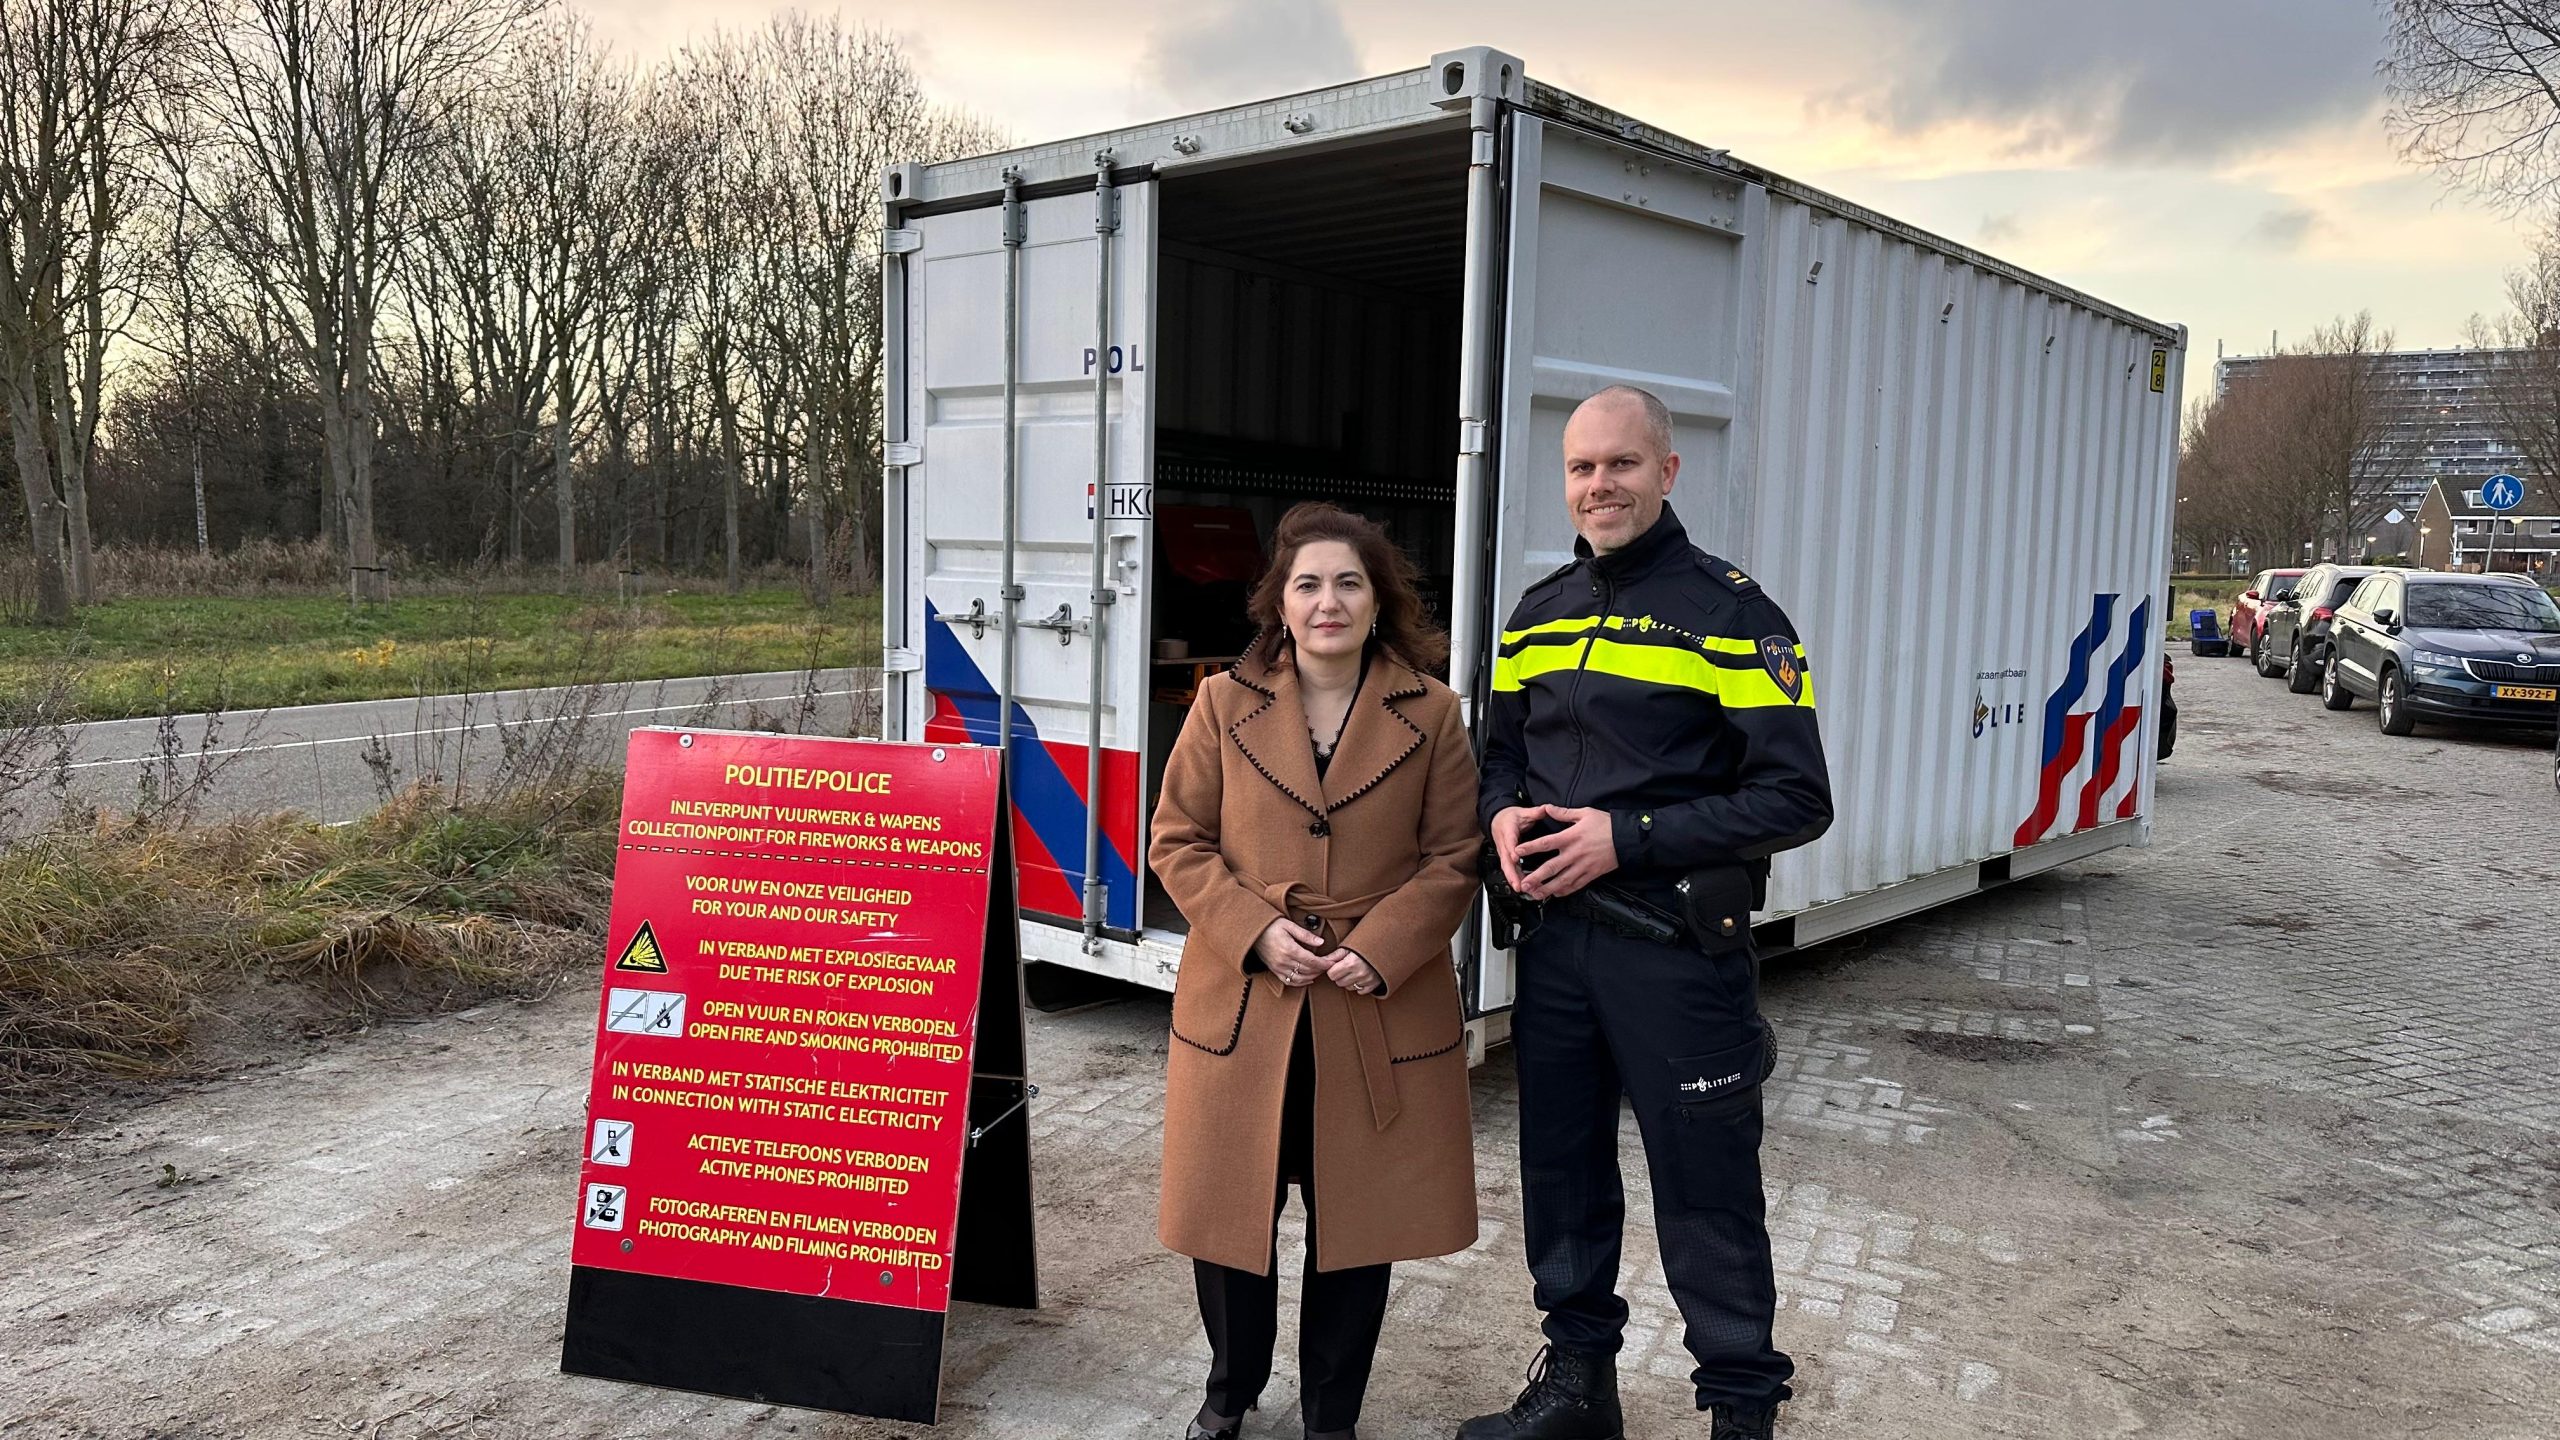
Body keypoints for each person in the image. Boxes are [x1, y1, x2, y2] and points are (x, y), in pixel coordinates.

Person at [1457, 386, 1833, 1440]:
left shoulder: (1733, 615)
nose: (1598, 485)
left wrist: (1626, 839)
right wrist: (1499, 823)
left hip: (1677, 957)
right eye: (1581, 468)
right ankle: (1580, 1388)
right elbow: (1499, 758)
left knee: (1705, 1194)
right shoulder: (1537, 615)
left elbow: (1797, 799)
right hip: (1559, 954)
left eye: (1621, 464)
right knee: (1562, 1175)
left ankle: (1739, 1415)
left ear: (1667, 472)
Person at [1151, 501, 1483, 1440]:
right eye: (1308, 585)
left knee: (1357, 1225)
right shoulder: (1222, 702)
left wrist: (1378, 949)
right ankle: (1230, 1394)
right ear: (1279, 606)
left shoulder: (1434, 711)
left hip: (1371, 1006)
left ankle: (1333, 1414)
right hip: (1244, 1001)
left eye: (1348, 583)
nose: (1327, 601)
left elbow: (1455, 857)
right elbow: (1178, 841)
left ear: (1378, 602)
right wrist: (1254, 929)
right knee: (1231, 1216)